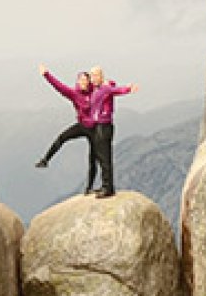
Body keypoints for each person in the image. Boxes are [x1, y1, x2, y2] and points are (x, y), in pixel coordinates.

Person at [36, 66, 99, 192]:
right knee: (62, 137)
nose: (82, 82)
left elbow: (108, 89)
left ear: (89, 81)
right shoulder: (74, 94)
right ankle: (45, 160)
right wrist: (46, 74)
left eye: (84, 79)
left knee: (93, 158)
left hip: (95, 128)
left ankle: (89, 188)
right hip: (82, 126)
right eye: (80, 80)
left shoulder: (95, 92)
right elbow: (58, 86)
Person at [84, 66, 134, 198]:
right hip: (99, 126)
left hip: (104, 126)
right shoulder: (97, 89)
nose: (93, 78)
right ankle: (105, 185)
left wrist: (128, 88)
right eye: (91, 76)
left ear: (101, 76)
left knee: (105, 158)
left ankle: (108, 188)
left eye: (95, 75)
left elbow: (116, 90)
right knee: (101, 158)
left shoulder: (104, 88)